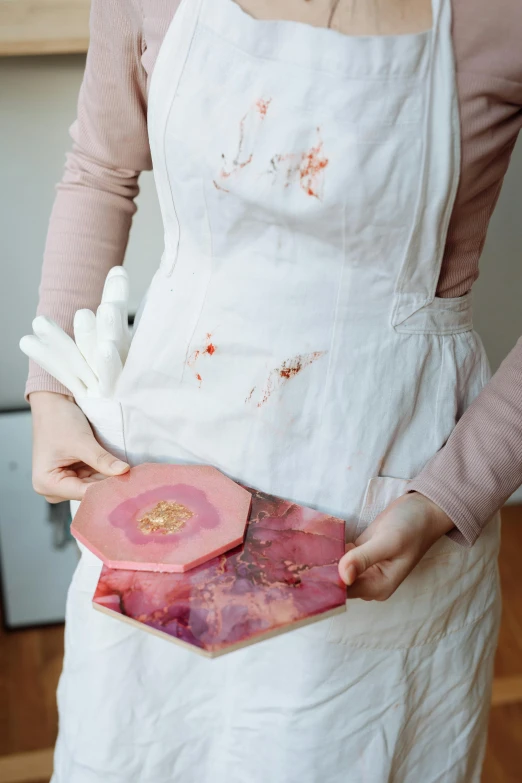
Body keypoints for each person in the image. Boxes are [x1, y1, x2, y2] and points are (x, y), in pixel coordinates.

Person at [24, 1, 522, 781]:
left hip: (379, 504)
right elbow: (99, 168)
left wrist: (448, 497)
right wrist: (52, 391)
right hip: (163, 473)